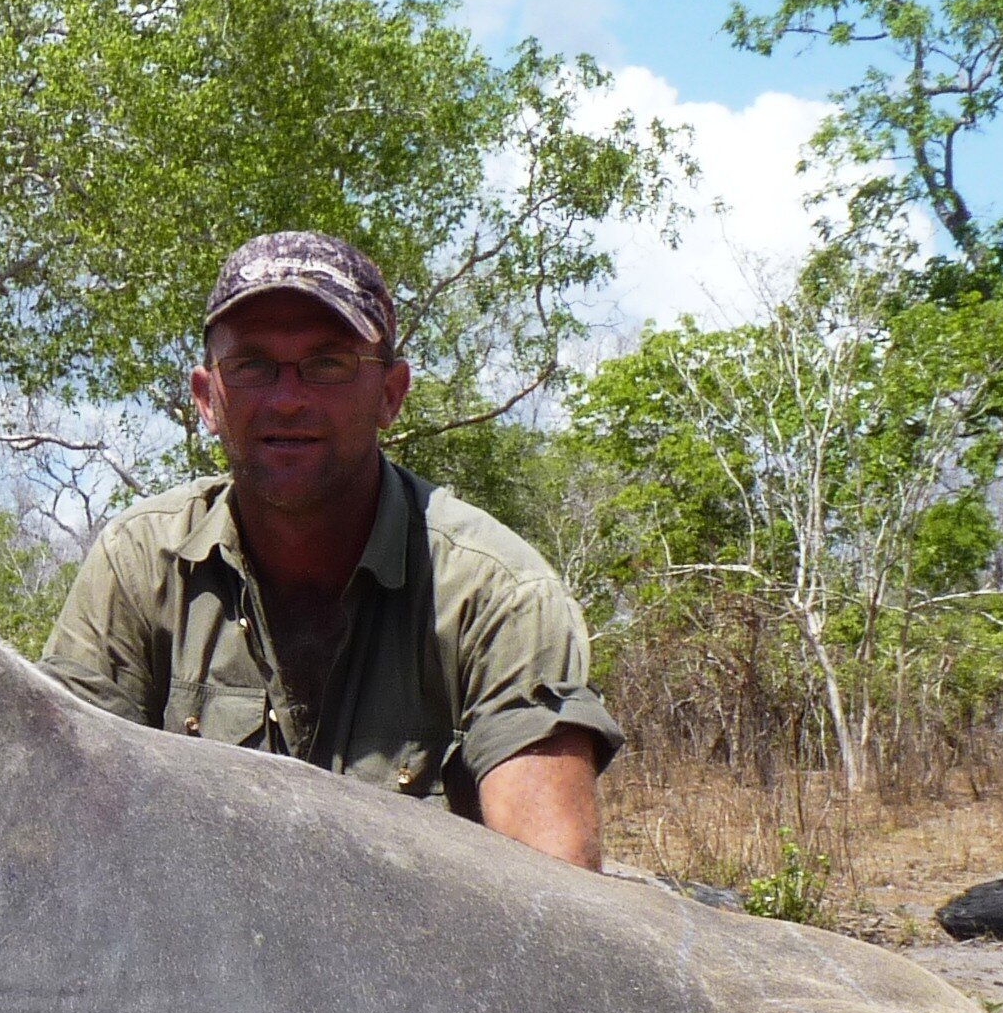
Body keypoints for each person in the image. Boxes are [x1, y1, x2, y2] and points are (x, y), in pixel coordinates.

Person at [39, 232, 621, 869]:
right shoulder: (138, 564)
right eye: (253, 366)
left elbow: (551, 896)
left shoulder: (501, 596)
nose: (288, 399)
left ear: (391, 395)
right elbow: (56, 830)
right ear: (208, 399)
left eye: (328, 364)